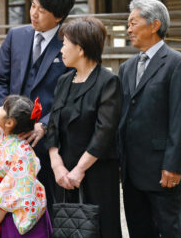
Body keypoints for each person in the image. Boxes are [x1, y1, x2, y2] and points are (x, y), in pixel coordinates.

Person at [0, 0, 75, 216]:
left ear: (58, 17)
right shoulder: (16, 36)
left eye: (42, 10)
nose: (34, 14)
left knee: (45, 204)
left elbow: (68, 94)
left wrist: (44, 125)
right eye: (33, 6)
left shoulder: (69, 43)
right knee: (5, 204)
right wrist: (6, 119)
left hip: (45, 140)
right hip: (9, 138)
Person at [118, 0, 181, 238]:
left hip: (162, 170)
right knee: (138, 230)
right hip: (131, 170)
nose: (129, 29)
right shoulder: (127, 67)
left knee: (169, 230)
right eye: (128, 23)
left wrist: (173, 165)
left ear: (154, 25)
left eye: (134, 22)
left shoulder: (178, 64)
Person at [45, 17, 122, 237]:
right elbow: (53, 124)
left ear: (80, 48)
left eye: (64, 43)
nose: (61, 49)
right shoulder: (64, 81)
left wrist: (80, 170)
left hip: (96, 171)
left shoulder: (108, 82)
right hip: (64, 172)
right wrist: (57, 164)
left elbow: (104, 132)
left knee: (99, 228)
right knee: (67, 229)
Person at [0, 95, 52, 238]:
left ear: (9, 123)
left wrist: (2, 210)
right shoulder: (0, 138)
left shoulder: (22, 151)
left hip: (14, 209)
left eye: (2, 108)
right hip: (1, 200)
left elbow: (20, 184)